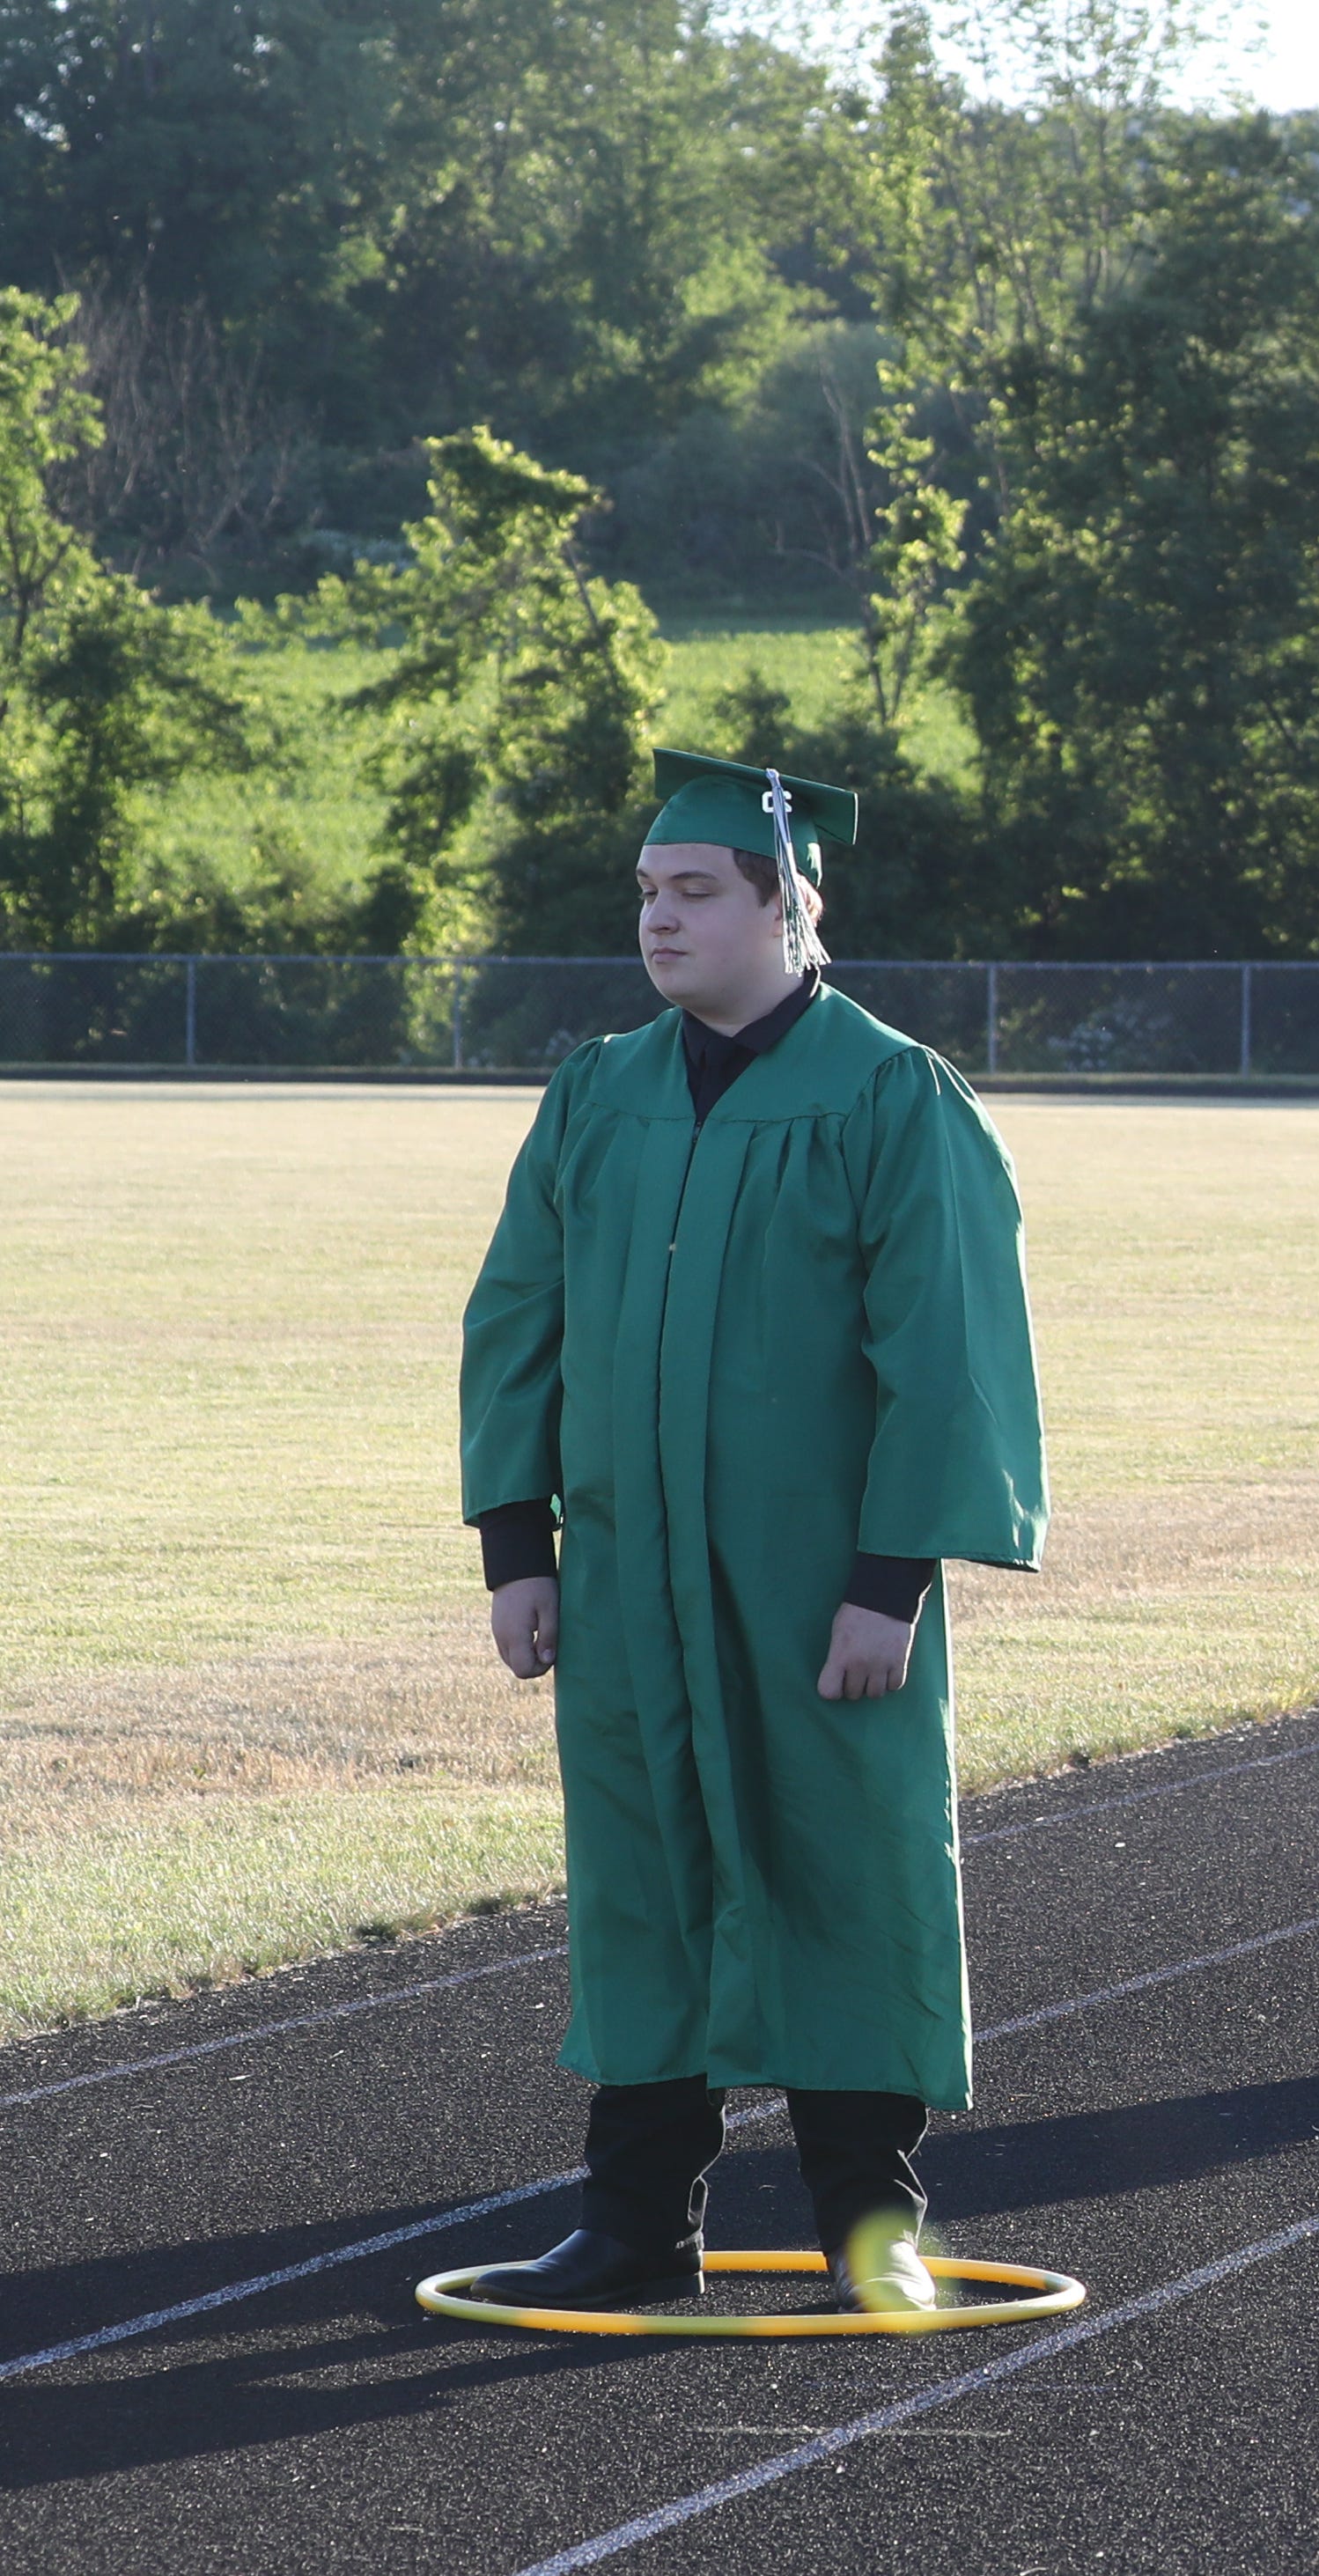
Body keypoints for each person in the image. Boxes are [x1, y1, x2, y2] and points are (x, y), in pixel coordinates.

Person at [453, 750, 1046, 2314]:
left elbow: (948, 1352)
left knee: (842, 1871)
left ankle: (874, 2225)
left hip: (815, 1589)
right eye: (648, 891)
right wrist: (521, 1542)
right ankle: (636, 2221)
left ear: (788, 906)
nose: (658, 919)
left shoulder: (885, 1093)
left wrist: (888, 1581)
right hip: (628, 1575)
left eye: (695, 891)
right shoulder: (600, 1088)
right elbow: (520, 1315)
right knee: (645, 1877)